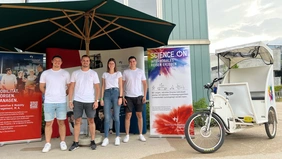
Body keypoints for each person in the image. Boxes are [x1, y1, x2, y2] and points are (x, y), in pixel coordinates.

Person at [68, 55, 100, 151]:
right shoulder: (75, 73)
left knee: (91, 121)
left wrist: (96, 100)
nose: (85, 62)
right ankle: (76, 142)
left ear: (89, 62)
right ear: (81, 61)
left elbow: (97, 88)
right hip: (77, 100)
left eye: (87, 61)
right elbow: (71, 87)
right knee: (77, 121)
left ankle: (93, 141)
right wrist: (70, 100)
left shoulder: (93, 73)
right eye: (84, 60)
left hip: (90, 101)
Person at [40, 55, 70, 153]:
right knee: (48, 123)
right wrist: (48, 94)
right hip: (49, 102)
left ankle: (62, 142)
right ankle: (47, 143)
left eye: (59, 61)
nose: (57, 62)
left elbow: (69, 87)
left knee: (61, 122)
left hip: (61, 101)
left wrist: (65, 94)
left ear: (61, 62)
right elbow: (41, 86)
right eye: (55, 60)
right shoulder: (46, 73)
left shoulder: (65, 73)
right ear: (52, 61)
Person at [122, 56, 147, 143]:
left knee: (139, 115)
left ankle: (140, 134)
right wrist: (123, 96)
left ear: (136, 62)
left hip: (139, 96)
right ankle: (127, 135)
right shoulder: (125, 72)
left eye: (133, 61)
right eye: (130, 61)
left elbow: (144, 84)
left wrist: (144, 95)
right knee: (128, 116)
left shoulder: (140, 71)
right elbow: (122, 85)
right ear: (129, 63)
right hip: (128, 96)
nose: (132, 63)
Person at [100, 58, 123, 146]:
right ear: (108, 65)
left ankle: (117, 136)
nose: (111, 65)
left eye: (113, 63)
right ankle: (106, 138)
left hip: (116, 93)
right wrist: (101, 98)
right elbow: (103, 87)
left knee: (116, 116)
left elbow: (121, 86)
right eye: (110, 63)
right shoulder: (105, 74)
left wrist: (120, 97)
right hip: (107, 94)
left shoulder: (118, 73)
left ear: (115, 64)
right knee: (107, 117)